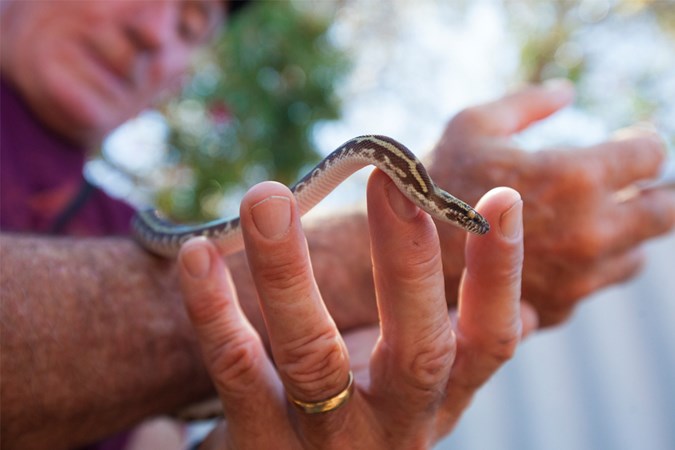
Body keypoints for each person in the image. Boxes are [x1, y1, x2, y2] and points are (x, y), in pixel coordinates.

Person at [1, 1, 674, 449]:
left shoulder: (124, 230)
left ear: (181, 77)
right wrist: (355, 262)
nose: (153, 30)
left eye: (189, 24)